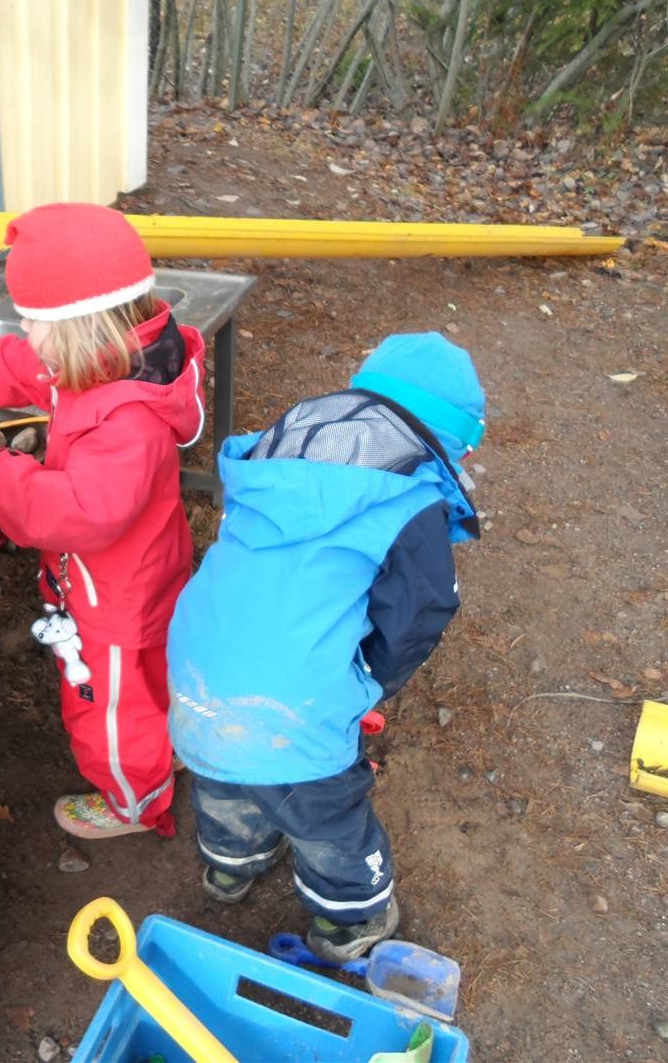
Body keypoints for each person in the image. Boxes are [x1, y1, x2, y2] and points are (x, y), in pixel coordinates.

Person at [167, 332, 485, 962]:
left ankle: (232, 866)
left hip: (195, 668)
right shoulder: (409, 502)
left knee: (226, 775)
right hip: (294, 705)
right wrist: (368, 676)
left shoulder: (279, 451)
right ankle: (348, 922)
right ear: (450, 440)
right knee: (327, 816)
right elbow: (419, 614)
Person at [0, 203, 206, 840]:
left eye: (34, 319)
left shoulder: (126, 420)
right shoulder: (97, 360)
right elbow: (20, 364)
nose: (25, 330)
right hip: (145, 577)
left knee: (106, 715)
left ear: (78, 325)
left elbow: (76, 514)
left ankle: (132, 802)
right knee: (149, 681)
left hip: (114, 602)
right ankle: (166, 753)